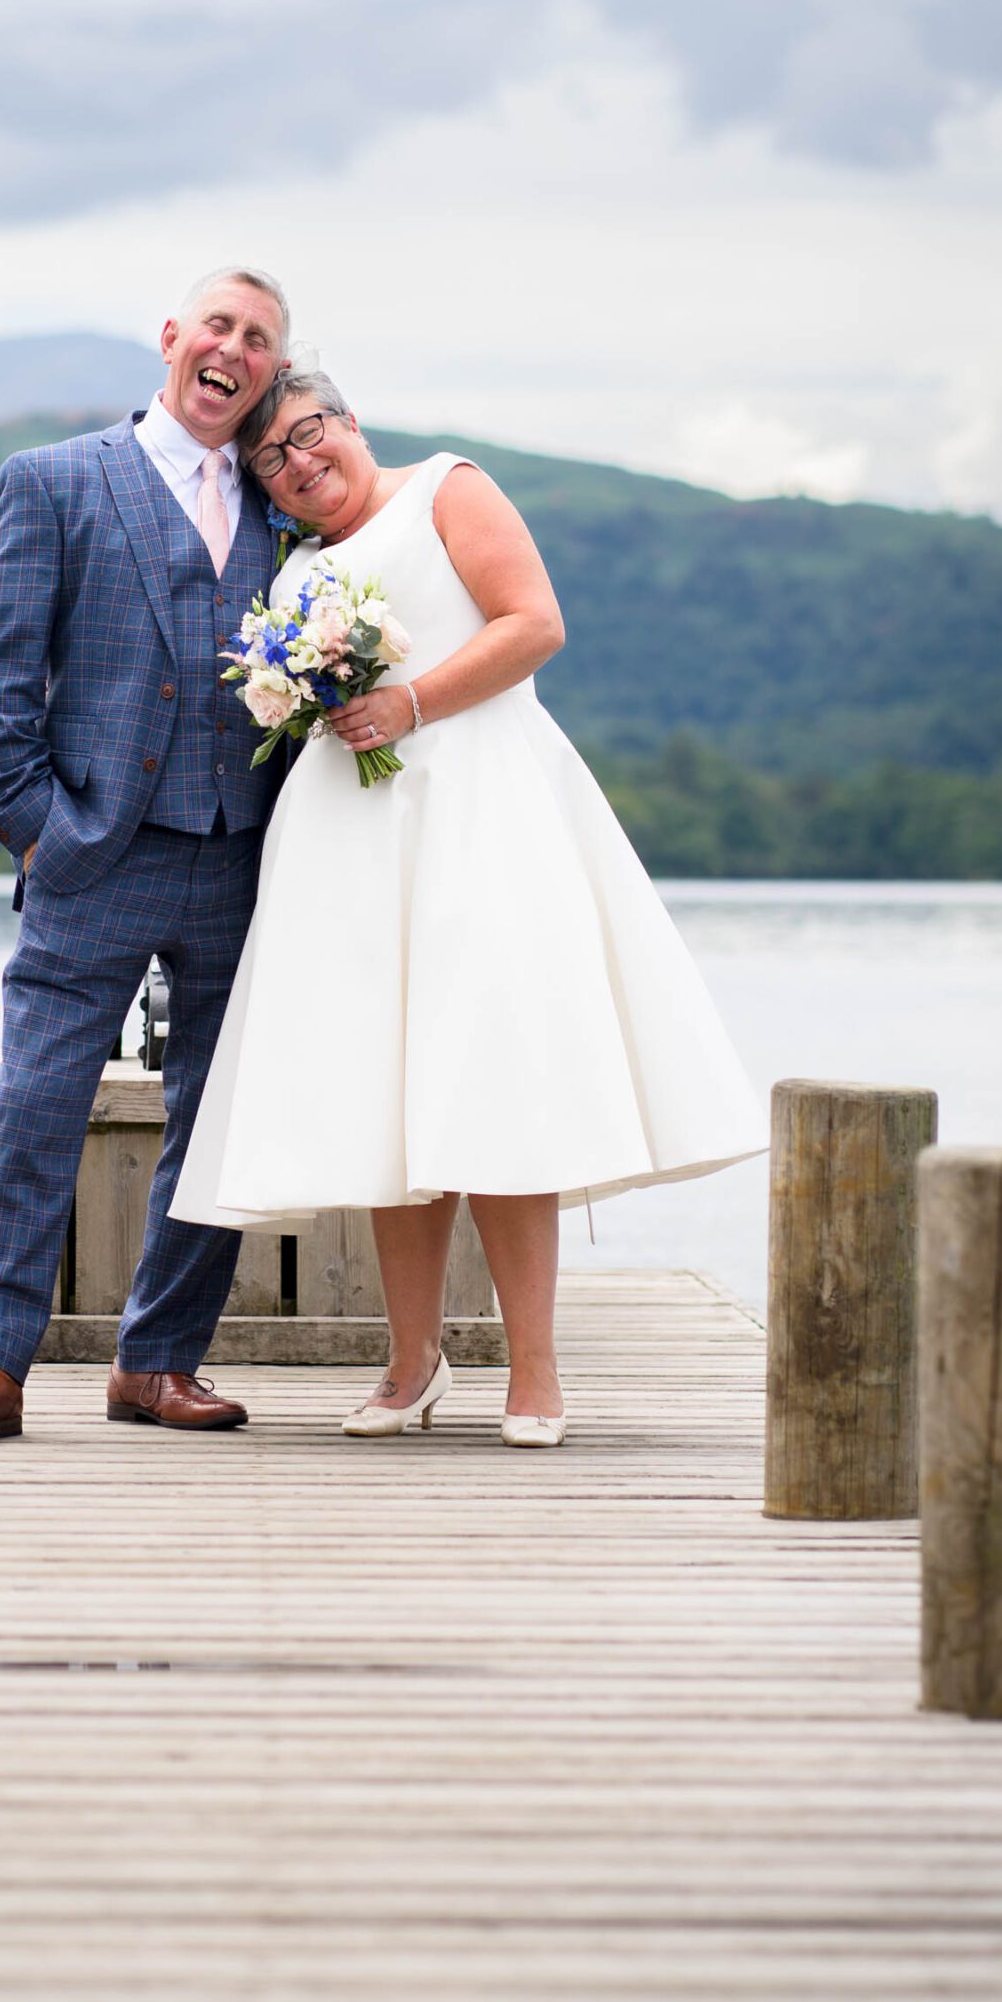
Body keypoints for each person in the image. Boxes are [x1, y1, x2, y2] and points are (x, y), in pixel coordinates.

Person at [171, 368, 766, 1446]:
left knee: (495, 1081)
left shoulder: (447, 485)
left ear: (350, 423)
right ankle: (411, 1366)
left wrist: (411, 699)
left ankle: (533, 1374)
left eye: (310, 436)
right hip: (353, 838)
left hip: (481, 814)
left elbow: (534, 623)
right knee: (391, 1095)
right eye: (275, 462)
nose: (303, 464)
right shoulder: (301, 564)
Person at [0, 267, 291, 1448]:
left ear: (273, 371)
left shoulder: (290, 505)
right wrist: (38, 828)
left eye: (261, 340)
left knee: (215, 1121)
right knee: (35, 1106)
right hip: (92, 854)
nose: (233, 349)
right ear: (172, 339)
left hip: (244, 860)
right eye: (218, 326)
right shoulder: (55, 480)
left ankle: (158, 1362)